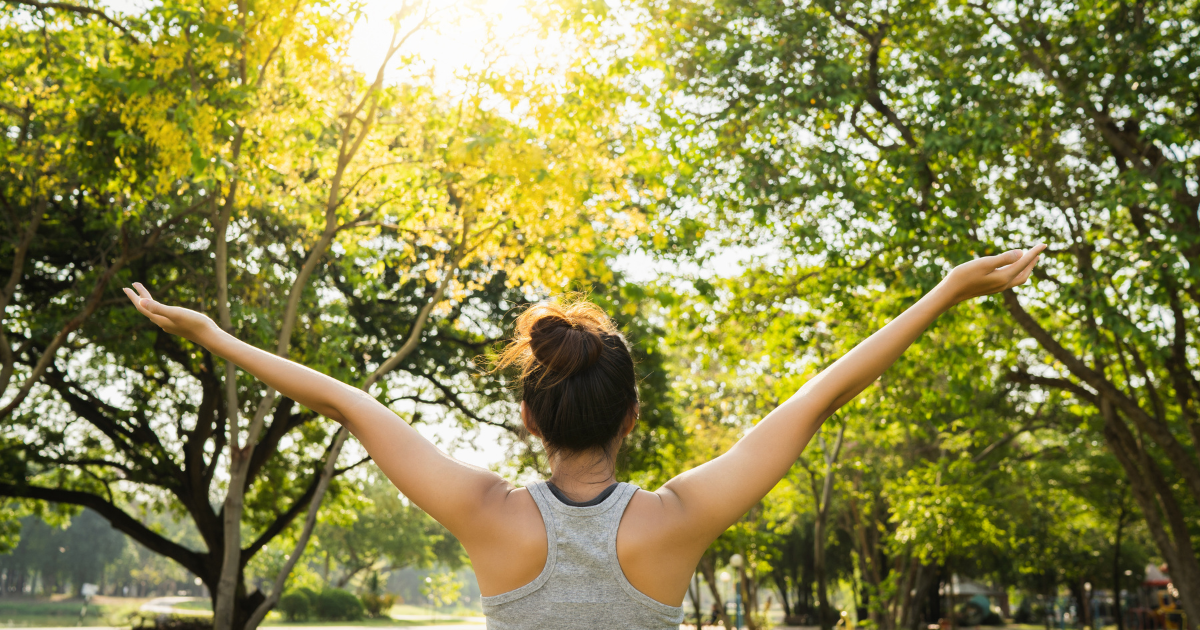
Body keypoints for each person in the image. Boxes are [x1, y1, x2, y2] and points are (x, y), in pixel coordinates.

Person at [123, 244, 1045, 629]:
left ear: (528, 418)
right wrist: (946, 290)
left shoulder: (486, 515)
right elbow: (819, 398)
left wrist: (214, 335)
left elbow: (351, 405)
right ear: (632, 418)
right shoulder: (676, 520)